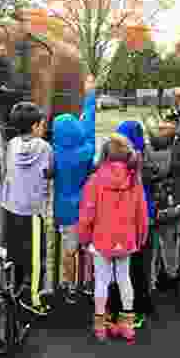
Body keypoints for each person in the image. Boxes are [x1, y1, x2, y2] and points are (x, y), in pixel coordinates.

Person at [77, 133, 148, 344]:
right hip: (126, 239)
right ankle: (127, 324)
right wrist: (140, 236)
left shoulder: (95, 180)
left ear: (105, 154)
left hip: (101, 239)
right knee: (125, 279)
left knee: (102, 280)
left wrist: (84, 236)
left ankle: (100, 325)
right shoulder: (134, 179)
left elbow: (87, 213)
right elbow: (141, 212)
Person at [0, 101, 53, 316]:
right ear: (36, 126)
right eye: (42, 124)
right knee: (36, 258)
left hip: (11, 208)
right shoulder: (45, 148)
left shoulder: (10, 146)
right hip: (33, 211)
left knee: (14, 254)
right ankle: (34, 299)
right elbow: (52, 168)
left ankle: (12, 293)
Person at [52, 75, 97, 304]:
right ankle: (89, 283)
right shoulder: (87, 150)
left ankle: (69, 286)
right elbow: (89, 129)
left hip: (66, 211)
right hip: (87, 208)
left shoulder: (55, 154)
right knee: (88, 248)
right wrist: (90, 95)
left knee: (68, 251)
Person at [114, 120, 156, 328]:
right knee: (141, 265)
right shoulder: (147, 158)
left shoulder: (120, 164)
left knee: (124, 268)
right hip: (145, 218)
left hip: (126, 220)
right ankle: (142, 304)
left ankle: (125, 308)